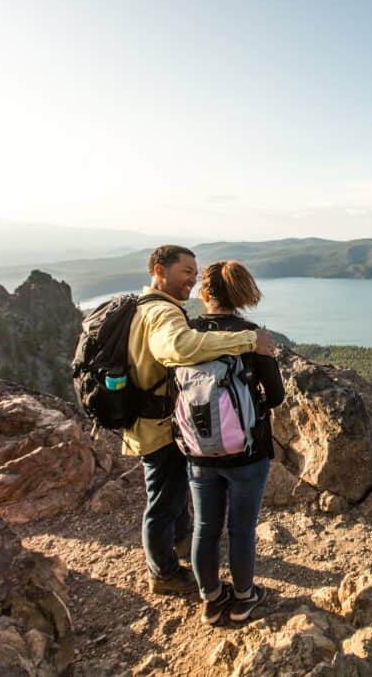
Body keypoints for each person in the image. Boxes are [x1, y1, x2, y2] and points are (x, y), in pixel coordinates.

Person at [124, 245, 276, 595]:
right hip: (161, 426)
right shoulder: (163, 315)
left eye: (195, 274)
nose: (191, 280)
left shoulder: (155, 310)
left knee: (196, 518)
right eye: (185, 272)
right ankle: (163, 574)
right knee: (163, 501)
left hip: (181, 431)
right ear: (160, 271)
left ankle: (194, 570)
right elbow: (178, 348)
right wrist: (249, 340)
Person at [186, 260, 284, 624]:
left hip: (198, 450)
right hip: (248, 451)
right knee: (241, 528)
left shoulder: (187, 336)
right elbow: (275, 396)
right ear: (241, 291)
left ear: (204, 293)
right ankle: (244, 597)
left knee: (205, 527)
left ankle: (211, 600)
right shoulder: (251, 336)